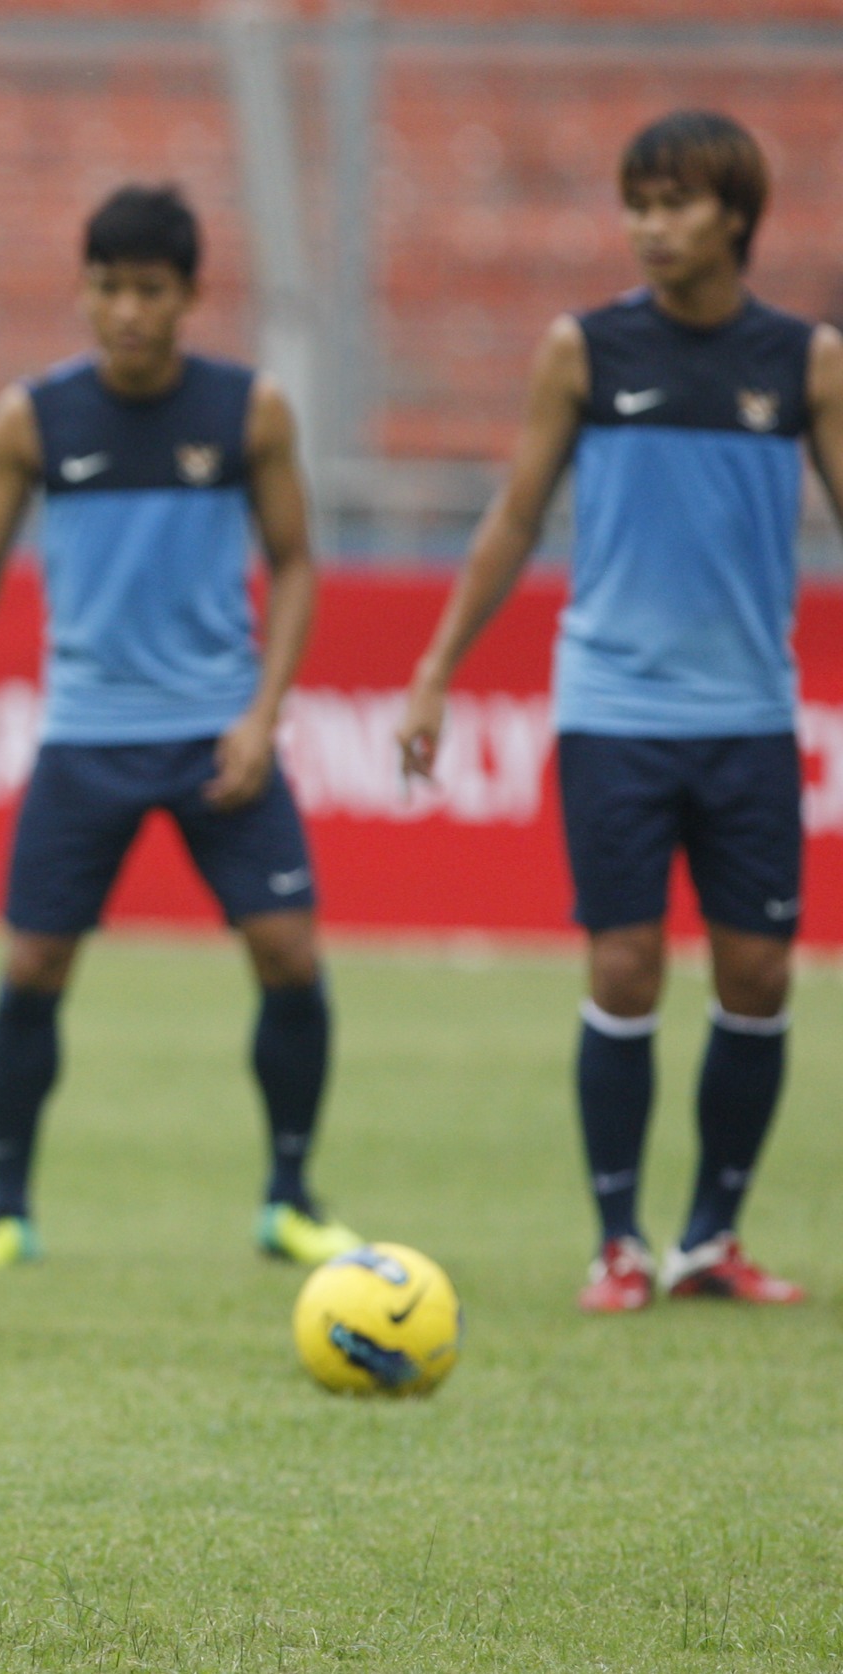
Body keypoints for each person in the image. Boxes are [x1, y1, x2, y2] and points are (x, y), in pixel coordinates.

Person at [398, 111, 843, 1312]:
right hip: (613, 708)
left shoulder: (803, 363)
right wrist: (437, 666)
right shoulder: (582, 351)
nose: (648, 225)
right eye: (636, 202)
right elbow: (513, 518)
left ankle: (710, 1239)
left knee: (757, 973)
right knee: (627, 960)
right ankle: (617, 1243)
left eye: (674, 203)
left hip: (749, 712)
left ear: (735, 217)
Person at [0, 183, 362, 1273]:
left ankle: (289, 1196)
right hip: (88, 737)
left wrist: (262, 713)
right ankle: (7, 1206)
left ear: (191, 295)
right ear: (82, 290)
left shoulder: (250, 411)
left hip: (218, 738)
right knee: (33, 964)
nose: (126, 312)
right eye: (106, 288)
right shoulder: (32, 419)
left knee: (288, 955)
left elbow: (294, 563)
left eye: (149, 290)